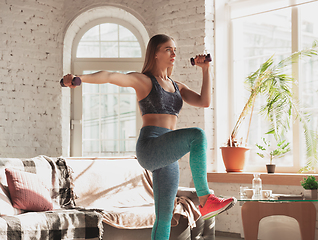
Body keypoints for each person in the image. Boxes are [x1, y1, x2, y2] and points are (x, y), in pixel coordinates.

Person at [62, 34, 236, 240]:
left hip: (167, 152)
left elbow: (204, 101)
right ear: (155, 53)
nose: (173, 54)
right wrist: (79, 79)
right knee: (197, 135)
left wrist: (206, 70)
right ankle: (206, 199)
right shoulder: (144, 81)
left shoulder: (176, 86)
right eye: (168, 49)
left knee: (164, 216)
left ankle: (205, 202)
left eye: (175, 50)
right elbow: (110, 75)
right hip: (151, 145)